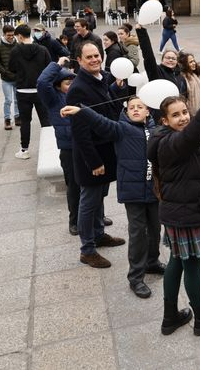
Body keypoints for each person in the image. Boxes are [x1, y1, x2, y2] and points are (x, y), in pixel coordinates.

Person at [149, 85, 200, 336]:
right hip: (186, 213)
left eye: (185, 112)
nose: (183, 117)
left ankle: (170, 317)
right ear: (164, 120)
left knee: (177, 260)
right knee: (192, 264)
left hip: (183, 210)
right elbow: (193, 135)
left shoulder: (168, 136)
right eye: (175, 115)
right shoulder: (171, 142)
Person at [62, 96, 165, 299]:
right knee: (137, 234)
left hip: (154, 191)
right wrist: (82, 110)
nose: (135, 110)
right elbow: (101, 122)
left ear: (148, 112)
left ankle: (152, 262)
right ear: (126, 112)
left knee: (155, 228)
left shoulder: (157, 131)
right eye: (131, 107)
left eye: (140, 107)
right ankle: (136, 277)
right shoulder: (121, 129)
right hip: (133, 193)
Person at [68, 41, 126, 269]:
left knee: (100, 196)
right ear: (79, 61)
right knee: (89, 202)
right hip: (90, 156)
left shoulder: (103, 77)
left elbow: (108, 108)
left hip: (106, 149)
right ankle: (87, 249)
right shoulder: (78, 88)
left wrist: (118, 91)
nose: (94, 59)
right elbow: (79, 131)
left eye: (97, 55)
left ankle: (99, 233)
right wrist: (94, 162)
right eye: (89, 57)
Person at [37, 58, 80, 235]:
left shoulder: (80, 95)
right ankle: (75, 221)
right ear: (57, 85)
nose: (71, 85)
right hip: (69, 148)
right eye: (67, 83)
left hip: (87, 145)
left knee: (95, 186)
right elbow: (42, 81)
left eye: (73, 82)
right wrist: (57, 65)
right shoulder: (53, 99)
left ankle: (97, 217)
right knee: (74, 186)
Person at [7, 25, 51, 160]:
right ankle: (49, 149)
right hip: (40, 90)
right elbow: (49, 67)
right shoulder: (42, 49)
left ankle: (24, 149)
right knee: (46, 120)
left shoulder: (15, 51)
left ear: (20, 36)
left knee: (25, 121)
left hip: (23, 90)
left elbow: (11, 68)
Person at [136, 24, 188, 99]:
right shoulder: (156, 71)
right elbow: (148, 55)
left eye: (173, 59)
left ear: (177, 61)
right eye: (168, 58)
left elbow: (184, 94)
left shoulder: (180, 75)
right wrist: (141, 32)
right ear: (162, 59)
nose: (170, 60)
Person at [0, 25, 19, 130]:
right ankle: (7, 119)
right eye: (9, 35)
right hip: (6, 78)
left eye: (13, 35)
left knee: (17, 99)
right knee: (8, 99)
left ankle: (17, 116)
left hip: (17, 77)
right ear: (4, 34)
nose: (11, 37)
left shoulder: (18, 45)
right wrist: (4, 72)